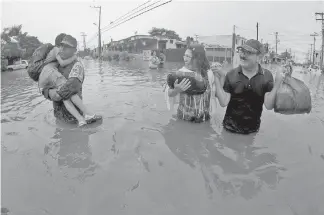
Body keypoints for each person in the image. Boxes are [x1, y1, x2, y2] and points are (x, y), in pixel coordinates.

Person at [214, 39, 285, 134]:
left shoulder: (266, 76)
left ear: (259, 57)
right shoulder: (231, 74)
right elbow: (223, 102)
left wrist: (277, 83)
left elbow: (268, 105)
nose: (243, 55)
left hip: (252, 131)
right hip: (229, 129)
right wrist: (216, 77)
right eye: (242, 51)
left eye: (248, 52)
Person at [39, 34, 99, 127]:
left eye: (66, 47)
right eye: (61, 45)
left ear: (74, 50)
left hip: (75, 121)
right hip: (59, 117)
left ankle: (86, 116)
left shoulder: (77, 66)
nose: (62, 49)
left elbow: (67, 89)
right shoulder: (55, 67)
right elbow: (45, 87)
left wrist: (49, 92)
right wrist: (47, 91)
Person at [164, 44, 217, 123]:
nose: (184, 58)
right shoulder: (180, 73)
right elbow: (169, 93)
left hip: (204, 120)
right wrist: (176, 90)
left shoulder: (209, 73)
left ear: (197, 58)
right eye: (184, 55)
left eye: (188, 56)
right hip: (185, 120)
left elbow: (212, 94)